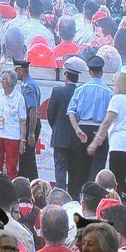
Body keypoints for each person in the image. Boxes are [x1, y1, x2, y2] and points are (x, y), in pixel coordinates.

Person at [92, 72, 126, 203]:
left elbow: (107, 121)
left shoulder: (116, 99)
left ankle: (116, 203)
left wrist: (96, 141)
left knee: (116, 181)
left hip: (118, 145)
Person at [66, 56, 111, 186]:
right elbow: (111, 117)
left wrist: (77, 129)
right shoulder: (108, 92)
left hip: (82, 128)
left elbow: (71, 112)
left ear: (90, 72)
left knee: (80, 167)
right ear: (101, 72)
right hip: (100, 130)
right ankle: (94, 194)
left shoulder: (80, 90)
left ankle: (80, 196)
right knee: (97, 168)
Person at [47, 57, 83, 193]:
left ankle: (61, 198)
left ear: (66, 75)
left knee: (60, 171)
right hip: (76, 138)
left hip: (60, 138)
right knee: (75, 172)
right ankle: (73, 199)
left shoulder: (58, 91)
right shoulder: (81, 92)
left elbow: (51, 113)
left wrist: (56, 127)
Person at [0, 69, 26, 178]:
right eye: (2, 78)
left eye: (5, 79)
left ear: (11, 82)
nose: (2, 81)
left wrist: (22, 139)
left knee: (11, 166)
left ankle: (11, 188)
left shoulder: (19, 98)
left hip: (12, 136)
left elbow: (22, 120)